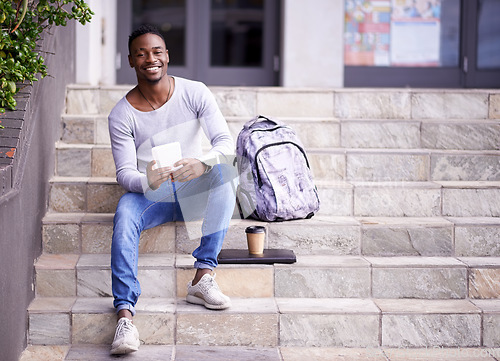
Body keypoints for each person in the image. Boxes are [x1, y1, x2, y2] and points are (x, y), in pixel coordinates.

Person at [107, 24, 236, 355]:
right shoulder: (121, 114)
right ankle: (124, 317)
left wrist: (203, 164)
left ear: (167, 56)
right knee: (124, 212)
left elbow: (225, 144)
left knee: (225, 171)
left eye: (156, 51)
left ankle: (202, 277)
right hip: (154, 196)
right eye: (141, 53)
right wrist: (146, 180)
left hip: (195, 188)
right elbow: (124, 173)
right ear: (131, 61)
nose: (150, 58)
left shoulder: (194, 92)